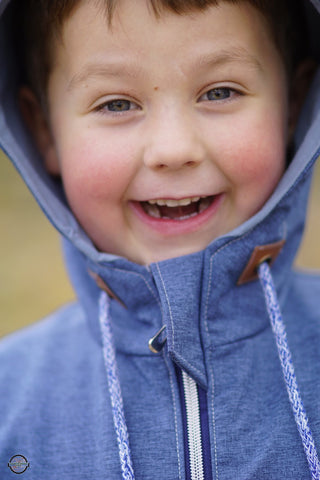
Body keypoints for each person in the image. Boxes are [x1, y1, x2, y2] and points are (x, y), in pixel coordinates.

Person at [0, 0, 319, 478]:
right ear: (43, 129)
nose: (174, 149)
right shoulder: (10, 402)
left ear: (292, 105)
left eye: (219, 92)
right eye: (117, 104)